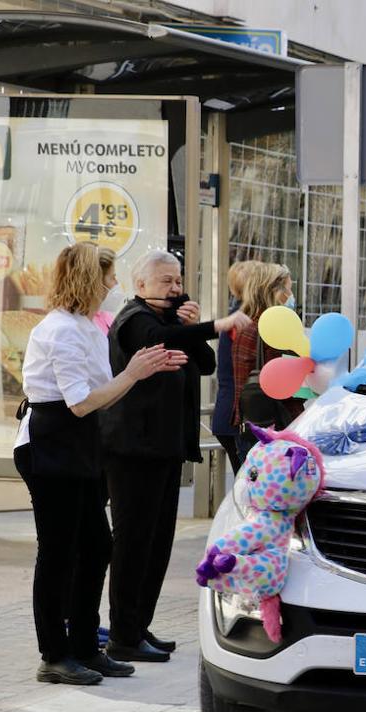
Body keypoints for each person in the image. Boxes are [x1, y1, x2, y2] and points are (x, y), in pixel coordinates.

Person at [15, 243, 185, 685]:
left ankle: (87, 647)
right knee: (57, 552)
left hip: (80, 443)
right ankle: (54, 653)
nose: (114, 285)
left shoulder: (86, 327)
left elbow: (103, 394)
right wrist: (133, 374)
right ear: (89, 280)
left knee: (96, 546)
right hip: (51, 442)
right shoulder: (60, 331)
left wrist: (137, 373)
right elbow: (78, 403)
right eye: (108, 277)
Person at [101, 250, 250, 663]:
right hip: (134, 450)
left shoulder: (169, 322)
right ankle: (123, 636)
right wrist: (214, 325)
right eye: (165, 281)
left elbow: (202, 362)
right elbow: (154, 340)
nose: (175, 288)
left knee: (157, 543)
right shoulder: (134, 320)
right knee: (133, 543)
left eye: (178, 279)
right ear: (141, 285)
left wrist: (191, 326)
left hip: (164, 449)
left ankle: (137, 626)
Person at [231, 262, 304, 467]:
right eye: (288, 289)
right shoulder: (272, 330)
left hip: (252, 423)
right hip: (275, 427)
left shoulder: (247, 325)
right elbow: (288, 384)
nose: (291, 295)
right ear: (275, 291)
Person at [212, 260, 257, 473]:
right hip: (238, 417)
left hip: (230, 414)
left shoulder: (236, 317)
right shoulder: (243, 322)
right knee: (250, 486)